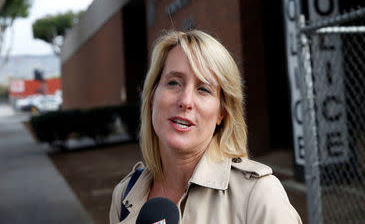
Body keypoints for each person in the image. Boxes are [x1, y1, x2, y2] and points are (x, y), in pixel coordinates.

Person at [109, 30, 302, 224]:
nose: (185, 101)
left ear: (222, 113)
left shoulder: (258, 195)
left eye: (203, 89)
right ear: (152, 97)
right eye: (174, 82)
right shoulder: (125, 195)